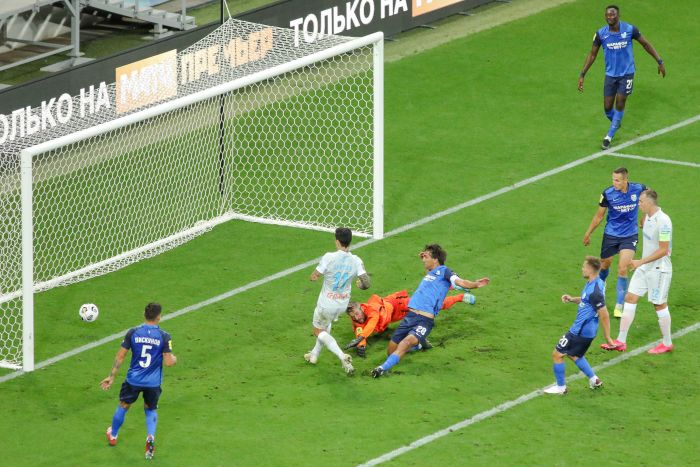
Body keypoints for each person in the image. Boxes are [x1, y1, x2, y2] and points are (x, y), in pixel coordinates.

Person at [371, 244, 489, 378]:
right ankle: (418, 345)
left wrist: (475, 284)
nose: (423, 260)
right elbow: (428, 264)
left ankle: (381, 369)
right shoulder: (430, 273)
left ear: (436, 259)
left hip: (424, 320)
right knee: (391, 351)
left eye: (426, 257)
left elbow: (460, 282)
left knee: (405, 343)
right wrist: (424, 255)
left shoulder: (445, 271)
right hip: (410, 317)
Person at [577, 4, 665, 149]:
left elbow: (645, 44)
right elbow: (592, 55)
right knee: (607, 108)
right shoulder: (600, 34)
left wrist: (659, 61)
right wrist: (582, 74)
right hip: (610, 75)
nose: (610, 17)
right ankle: (616, 123)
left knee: (620, 102)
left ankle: (609, 136)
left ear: (618, 15)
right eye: (607, 15)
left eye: (613, 14)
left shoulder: (630, 30)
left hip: (627, 74)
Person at [101, 303, 177, 460]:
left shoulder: (133, 332)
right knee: (150, 410)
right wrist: (174, 358)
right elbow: (169, 362)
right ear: (159, 317)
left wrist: (111, 376)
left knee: (123, 406)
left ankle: (113, 435)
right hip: (153, 383)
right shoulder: (164, 336)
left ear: (144, 314)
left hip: (133, 380)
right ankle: (150, 438)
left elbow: (120, 356)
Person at [602, 189, 674, 354]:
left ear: (649, 203)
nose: (638, 204)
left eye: (641, 202)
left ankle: (667, 343)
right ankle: (621, 341)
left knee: (659, 304)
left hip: (659, 269)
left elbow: (664, 250)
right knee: (630, 297)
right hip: (644, 267)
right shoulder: (647, 216)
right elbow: (643, 225)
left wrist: (640, 261)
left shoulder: (664, 221)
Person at [544, 256, 616, 395]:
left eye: (584, 267)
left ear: (590, 269)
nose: (582, 269)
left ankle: (561, 388)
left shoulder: (595, 292)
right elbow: (586, 300)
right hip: (588, 330)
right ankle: (594, 380)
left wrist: (608, 337)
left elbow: (604, 314)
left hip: (580, 330)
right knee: (574, 354)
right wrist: (572, 299)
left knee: (557, 354)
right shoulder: (596, 283)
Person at [304, 227, 370, 375]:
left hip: (326, 303)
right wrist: (359, 285)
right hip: (342, 304)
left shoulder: (329, 257)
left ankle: (342, 356)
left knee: (318, 330)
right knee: (325, 325)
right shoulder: (356, 260)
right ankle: (314, 354)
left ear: (337, 241)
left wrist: (315, 276)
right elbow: (366, 283)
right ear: (350, 241)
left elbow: (314, 276)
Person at [583, 167, 646, 318]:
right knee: (604, 265)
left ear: (625, 180)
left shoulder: (638, 189)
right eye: (613, 179)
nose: (614, 183)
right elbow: (599, 216)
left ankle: (619, 305)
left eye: (617, 180)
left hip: (629, 235)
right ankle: (600, 292)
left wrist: (645, 216)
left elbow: (650, 197)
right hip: (611, 235)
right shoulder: (608, 194)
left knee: (623, 268)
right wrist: (588, 233)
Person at [344, 289, 476, 357]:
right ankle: (417, 345)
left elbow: (372, 323)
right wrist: (361, 345)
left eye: (357, 314)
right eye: (353, 316)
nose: (357, 318)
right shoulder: (357, 319)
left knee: (432, 306)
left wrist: (362, 337)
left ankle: (460, 297)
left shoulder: (372, 309)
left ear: (361, 308)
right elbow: (359, 330)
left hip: (401, 305)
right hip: (398, 315)